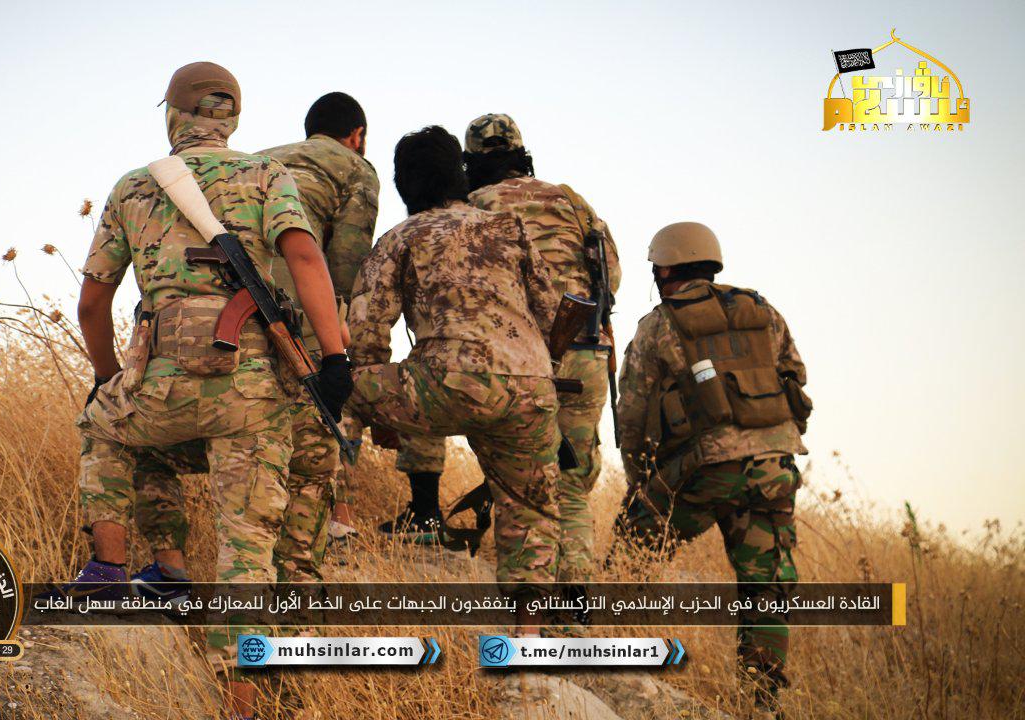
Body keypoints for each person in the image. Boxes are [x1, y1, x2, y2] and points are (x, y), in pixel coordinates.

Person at [71, 61, 349, 719]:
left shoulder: (134, 187)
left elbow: (92, 302)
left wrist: (107, 379)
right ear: (233, 115)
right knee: (246, 548)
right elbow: (306, 258)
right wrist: (334, 359)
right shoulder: (264, 174)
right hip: (251, 393)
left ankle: (116, 571)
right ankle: (240, 701)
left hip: (160, 387)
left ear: (173, 113)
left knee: (104, 428)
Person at [347, 126, 561, 630]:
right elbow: (553, 312)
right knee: (530, 509)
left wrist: (378, 399)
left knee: (333, 394)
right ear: (458, 174)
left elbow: (366, 329)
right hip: (529, 387)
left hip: (443, 386)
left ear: (404, 184)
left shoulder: (402, 237)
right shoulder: (509, 228)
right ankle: (528, 634)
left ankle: (332, 523)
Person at [607, 222, 812, 715]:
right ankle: (762, 701)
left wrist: (641, 488)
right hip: (775, 466)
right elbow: (796, 377)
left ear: (670, 266)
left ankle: (606, 646)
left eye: (658, 267)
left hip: (702, 468)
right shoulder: (763, 311)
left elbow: (631, 413)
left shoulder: (658, 325)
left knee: (632, 552)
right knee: (766, 584)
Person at [462, 113, 621, 582]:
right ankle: (573, 604)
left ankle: (533, 601)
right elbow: (610, 270)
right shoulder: (570, 199)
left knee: (521, 482)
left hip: (517, 356)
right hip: (585, 347)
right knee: (570, 486)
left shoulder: (473, 203)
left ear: (471, 162)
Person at [258, 91, 380, 564]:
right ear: (358, 136)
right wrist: (339, 342)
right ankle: (325, 535)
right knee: (315, 428)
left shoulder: (262, 158)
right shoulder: (353, 168)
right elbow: (344, 266)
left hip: (234, 308)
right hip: (300, 307)